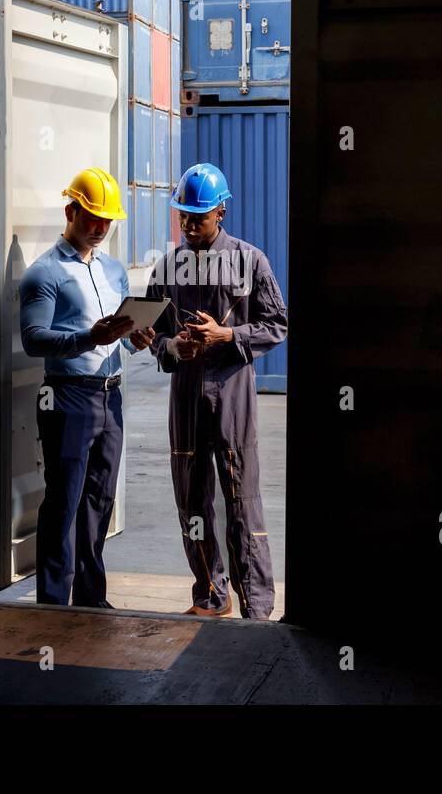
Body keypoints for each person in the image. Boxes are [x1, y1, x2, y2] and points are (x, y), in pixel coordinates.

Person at [145, 164, 288, 619]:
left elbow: (277, 324)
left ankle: (257, 605)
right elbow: (155, 337)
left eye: (198, 217)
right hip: (186, 397)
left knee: (240, 500)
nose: (188, 225)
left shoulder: (250, 261)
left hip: (231, 396)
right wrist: (169, 345)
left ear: (221, 211)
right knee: (191, 499)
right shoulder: (167, 268)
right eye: (183, 216)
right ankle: (210, 593)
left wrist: (227, 338)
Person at [18, 167, 156, 608]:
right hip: (68, 396)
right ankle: (54, 606)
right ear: (70, 210)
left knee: (99, 501)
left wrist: (135, 339)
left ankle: (92, 598)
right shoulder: (44, 274)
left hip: (110, 394)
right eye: (92, 217)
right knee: (63, 503)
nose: (100, 228)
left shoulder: (115, 271)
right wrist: (86, 338)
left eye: (106, 221)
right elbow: (32, 338)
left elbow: (116, 332)